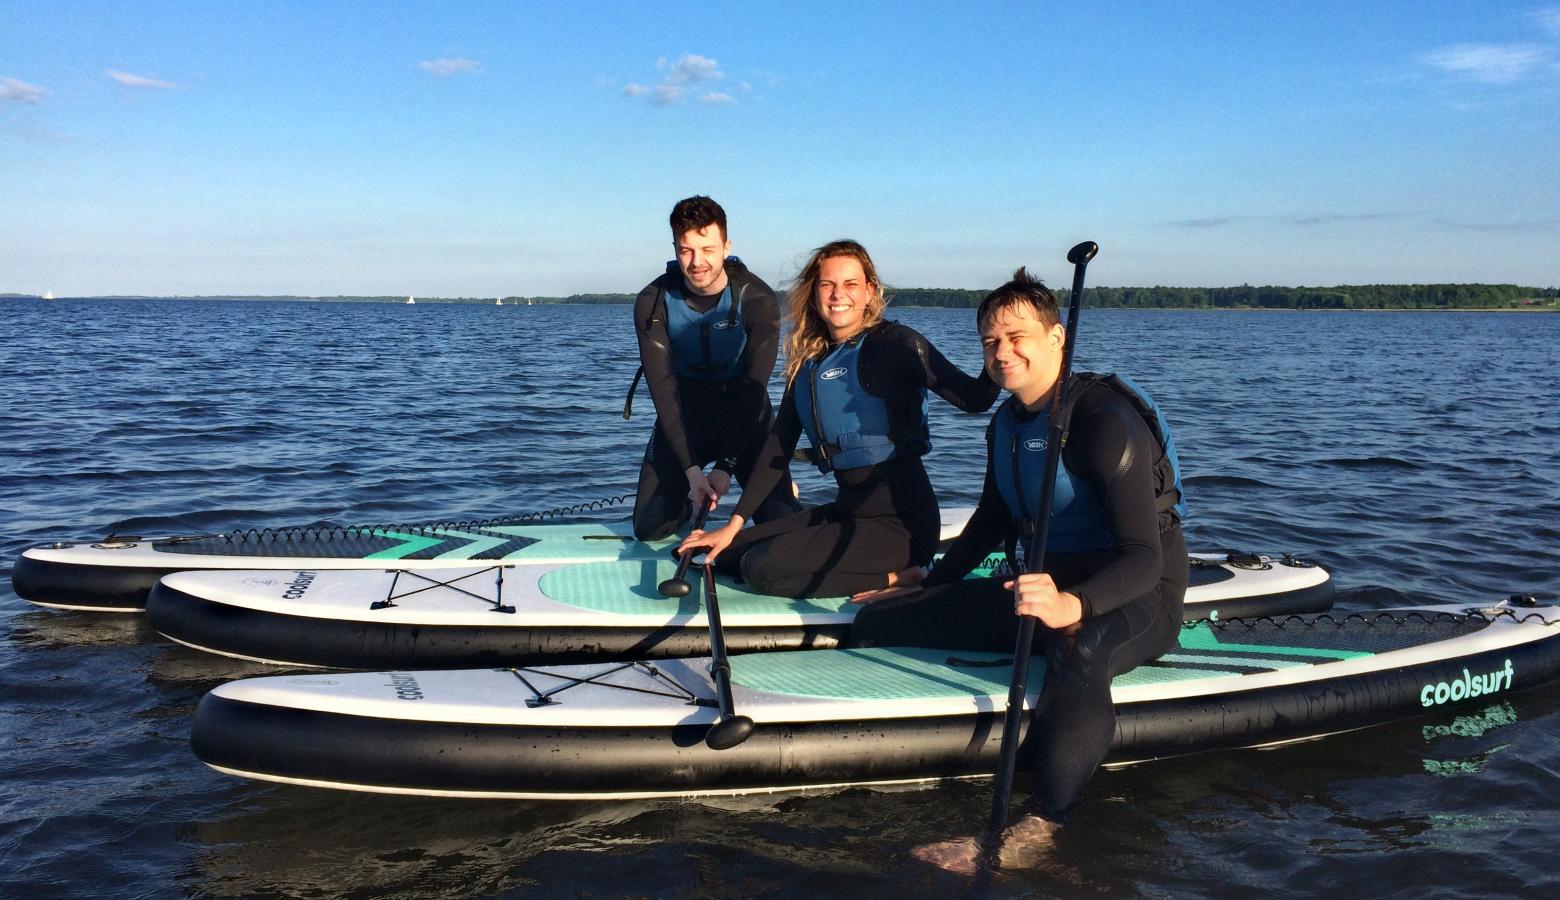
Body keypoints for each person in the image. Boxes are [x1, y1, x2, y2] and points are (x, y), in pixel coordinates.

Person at [847, 267, 1189, 872]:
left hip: (1134, 595)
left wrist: (1073, 607)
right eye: (989, 342)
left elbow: (1145, 558)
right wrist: (934, 578)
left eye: (1016, 337)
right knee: (881, 622)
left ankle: (1043, 823)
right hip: (1040, 588)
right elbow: (991, 520)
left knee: (1078, 650)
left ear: (1057, 339)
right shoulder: (1006, 423)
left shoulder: (1104, 422)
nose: (1002, 353)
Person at [676, 239, 998, 598]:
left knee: (760, 569)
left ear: (869, 291)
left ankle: (906, 577)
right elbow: (777, 446)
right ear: (814, 293)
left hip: (901, 523)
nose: (837, 294)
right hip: (848, 511)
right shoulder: (810, 362)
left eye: (850, 284)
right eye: (827, 284)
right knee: (724, 553)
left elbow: (975, 399)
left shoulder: (898, 345)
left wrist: (997, 342)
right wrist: (735, 524)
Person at [630, 196, 802, 540]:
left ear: (726, 246)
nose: (697, 262)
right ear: (675, 248)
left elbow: (755, 386)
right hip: (684, 415)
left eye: (707, 249)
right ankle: (689, 503)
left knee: (779, 527)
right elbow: (662, 392)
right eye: (686, 250)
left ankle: (784, 492)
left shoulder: (758, 300)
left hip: (745, 415)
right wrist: (692, 471)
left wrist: (726, 467)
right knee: (649, 528)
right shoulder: (652, 302)